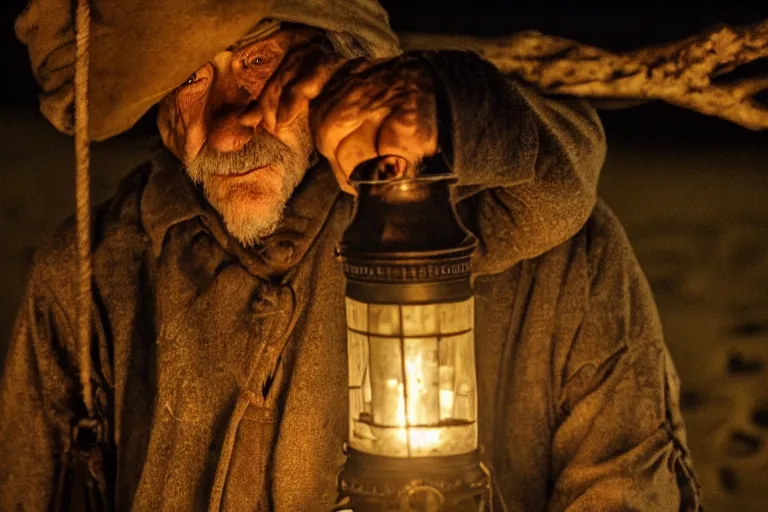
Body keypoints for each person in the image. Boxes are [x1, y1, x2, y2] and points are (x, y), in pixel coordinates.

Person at [1, 0, 701, 510]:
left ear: (335, 60)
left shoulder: (558, 256)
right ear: (154, 105)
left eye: (256, 60)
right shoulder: (91, 277)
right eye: (187, 80)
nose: (226, 121)